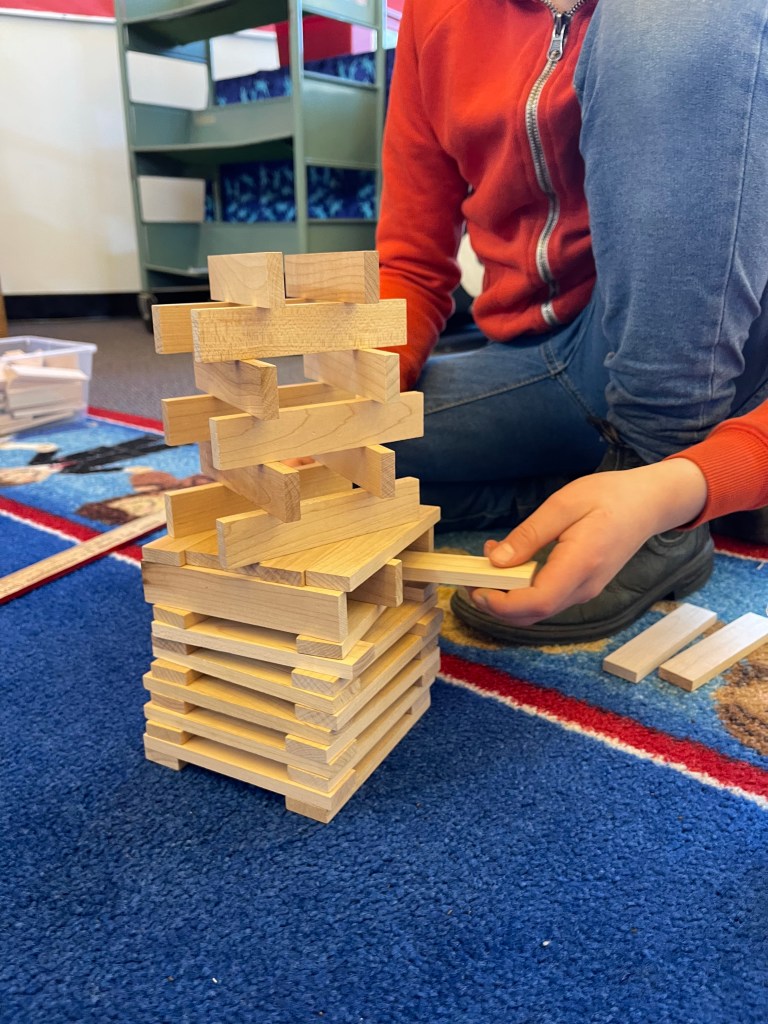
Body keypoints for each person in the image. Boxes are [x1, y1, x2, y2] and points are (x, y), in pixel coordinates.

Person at [377, 0, 768, 642]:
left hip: (718, 351)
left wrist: (687, 482)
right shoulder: (434, 12)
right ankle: (585, 485)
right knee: (319, 463)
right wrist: (355, 398)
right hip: (544, 362)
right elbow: (410, 263)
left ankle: (657, 476)